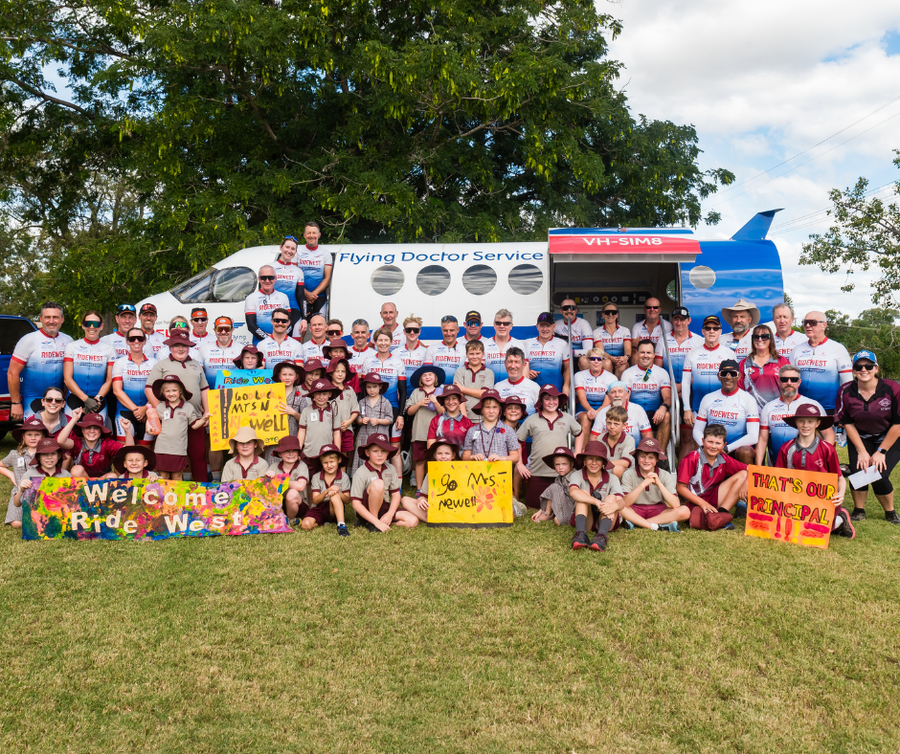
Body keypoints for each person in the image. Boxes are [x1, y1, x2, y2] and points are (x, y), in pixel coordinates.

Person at [836, 350, 900, 524]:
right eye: (858, 366)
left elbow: (898, 423)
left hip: (890, 436)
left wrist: (881, 451)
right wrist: (861, 450)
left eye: (868, 366)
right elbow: (847, 422)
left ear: (876, 369)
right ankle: (859, 510)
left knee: (879, 473)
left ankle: (890, 511)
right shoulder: (845, 390)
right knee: (859, 470)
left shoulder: (892, 388)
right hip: (861, 436)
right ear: (853, 370)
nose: (863, 369)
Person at [775, 404, 854, 539]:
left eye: (810, 421)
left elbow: (839, 478)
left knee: (817, 530)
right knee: (789, 528)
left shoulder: (827, 449)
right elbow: (778, 477)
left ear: (817, 424)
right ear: (796, 422)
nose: (805, 425)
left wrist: (840, 494)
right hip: (795, 498)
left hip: (821, 500)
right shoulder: (786, 448)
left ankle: (840, 518)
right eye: (801, 421)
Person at [145, 330, 210, 481]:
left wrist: (207, 411)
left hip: (195, 417)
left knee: (199, 455)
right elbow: (148, 389)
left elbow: (204, 388)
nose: (181, 349)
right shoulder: (161, 365)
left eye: (184, 345)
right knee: (169, 457)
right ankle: (167, 491)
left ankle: (201, 489)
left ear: (189, 347)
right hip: (171, 420)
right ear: (170, 347)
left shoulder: (196, 365)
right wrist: (161, 411)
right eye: (176, 345)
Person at [517, 385, 581, 509]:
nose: (551, 402)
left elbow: (579, 433)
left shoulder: (567, 418)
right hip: (537, 472)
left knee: (561, 505)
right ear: (541, 401)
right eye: (547, 399)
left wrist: (577, 452)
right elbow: (518, 440)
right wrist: (520, 463)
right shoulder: (532, 420)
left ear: (559, 400)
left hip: (561, 473)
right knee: (533, 505)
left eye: (554, 398)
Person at [8, 301, 73, 420]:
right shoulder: (28, 340)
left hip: (59, 401)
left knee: (59, 432)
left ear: (62, 319)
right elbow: (12, 373)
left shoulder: (68, 340)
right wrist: (15, 403)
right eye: (47, 317)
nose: (51, 321)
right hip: (33, 399)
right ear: (41, 319)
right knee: (34, 432)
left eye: (55, 317)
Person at [676, 424, 747, 530]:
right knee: (696, 518)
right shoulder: (691, 458)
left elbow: (749, 469)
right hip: (693, 501)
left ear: (724, 445)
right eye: (710, 442)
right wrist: (702, 503)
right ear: (703, 441)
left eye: (718, 443)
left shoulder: (723, 458)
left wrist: (747, 482)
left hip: (713, 495)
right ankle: (713, 518)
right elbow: (680, 488)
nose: (713, 446)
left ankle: (722, 514)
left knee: (743, 474)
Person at [692, 359, 759, 465]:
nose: (728, 377)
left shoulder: (748, 399)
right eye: (724, 373)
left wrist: (727, 448)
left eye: (733, 373)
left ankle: (746, 475)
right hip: (713, 447)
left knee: (745, 451)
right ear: (719, 376)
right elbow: (697, 430)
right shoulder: (708, 398)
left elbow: (753, 436)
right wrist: (708, 446)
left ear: (739, 376)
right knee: (699, 444)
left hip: (736, 448)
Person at [757, 365, 827, 465]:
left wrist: (823, 456)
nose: (789, 383)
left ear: (799, 382)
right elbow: (763, 440)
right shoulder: (768, 407)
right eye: (784, 379)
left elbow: (828, 433)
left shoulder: (813, 405)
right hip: (777, 464)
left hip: (806, 464)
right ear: (779, 381)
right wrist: (758, 466)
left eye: (793, 379)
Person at [361, 327, 408, 476]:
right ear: (375, 342)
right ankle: (372, 477)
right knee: (373, 445)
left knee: (394, 447)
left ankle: (398, 483)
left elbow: (403, 391)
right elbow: (363, 389)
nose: (383, 343)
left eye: (386, 340)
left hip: (393, 407)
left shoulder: (398, 362)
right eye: (380, 340)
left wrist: (401, 415)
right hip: (372, 407)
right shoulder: (368, 362)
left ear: (391, 342)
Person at [789, 311, 853, 414]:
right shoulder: (797, 349)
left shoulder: (838, 349)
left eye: (812, 322)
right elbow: (788, 378)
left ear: (824, 325)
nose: (808, 325)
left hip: (829, 408)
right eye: (805, 322)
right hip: (801, 408)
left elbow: (848, 384)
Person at [351, 433, 418, 531]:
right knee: (378, 483)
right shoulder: (360, 472)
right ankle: (373, 522)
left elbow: (396, 495)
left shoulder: (390, 469)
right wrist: (375, 521)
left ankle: (383, 523)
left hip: (384, 508)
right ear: (367, 453)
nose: (380, 455)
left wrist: (390, 514)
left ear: (388, 452)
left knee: (413, 521)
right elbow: (356, 504)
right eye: (375, 451)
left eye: (383, 451)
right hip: (366, 509)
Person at [620, 437, 689, 532]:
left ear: (657, 459)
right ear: (637, 457)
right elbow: (625, 503)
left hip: (658, 510)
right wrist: (643, 484)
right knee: (619, 507)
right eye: (642, 456)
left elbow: (675, 504)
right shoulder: (629, 474)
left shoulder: (665, 474)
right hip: (635, 508)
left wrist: (659, 483)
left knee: (685, 511)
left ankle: (639, 523)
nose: (646, 461)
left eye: (651, 457)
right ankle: (658, 525)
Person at [682, 315, 736, 431]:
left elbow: (735, 382)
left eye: (715, 328)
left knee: (720, 438)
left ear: (720, 332)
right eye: (708, 328)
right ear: (703, 331)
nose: (712, 331)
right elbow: (685, 383)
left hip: (723, 407)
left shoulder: (729, 354)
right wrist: (687, 409)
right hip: (698, 406)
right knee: (698, 438)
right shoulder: (692, 353)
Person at [150, 375, 209, 480]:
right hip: (162, 448)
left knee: (177, 476)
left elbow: (194, 425)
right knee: (163, 476)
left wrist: (204, 419)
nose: (171, 393)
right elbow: (151, 421)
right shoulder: (160, 407)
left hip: (179, 449)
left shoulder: (188, 407)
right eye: (167, 391)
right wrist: (148, 426)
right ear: (163, 392)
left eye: (174, 390)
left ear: (180, 391)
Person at [569, 441, 624, 552]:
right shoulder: (577, 475)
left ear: (603, 462)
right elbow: (573, 492)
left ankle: (601, 537)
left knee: (611, 498)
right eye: (590, 458)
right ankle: (580, 535)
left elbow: (621, 502)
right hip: (586, 519)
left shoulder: (612, 478)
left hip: (606, 518)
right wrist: (596, 501)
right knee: (582, 493)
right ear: (584, 461)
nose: (594, 463)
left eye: (598, 459)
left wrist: (613, 507)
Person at [620, 339, 672, 451]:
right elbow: (625, 396)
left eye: (648, 353)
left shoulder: (662, 373)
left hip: (654, 414)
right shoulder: (628, 373)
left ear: (654, 355)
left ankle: (660, 455)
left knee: (667, 415)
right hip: (634, 413)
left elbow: (668, 397)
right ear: (637, 353)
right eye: (642, 352)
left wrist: (663, 408)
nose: (645, 355)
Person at [63, 310, 114, 421]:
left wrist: (97, 399)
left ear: (101, 326)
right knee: (70, 432)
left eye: (96, 324)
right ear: (83, 325)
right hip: (74, 398)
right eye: (88, 323)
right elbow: (67, 378)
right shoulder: (72, 346)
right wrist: (86, 399)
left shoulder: (109, 349)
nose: (92, 327)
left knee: (95, 431)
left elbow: (109, 380)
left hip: (98, 401)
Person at [1, 416, 48, 528]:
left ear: (43, 436)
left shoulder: (47, 455)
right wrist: (11, 475)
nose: (33, 438)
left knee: (44, 520)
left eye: (37, 435)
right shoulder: (15, 454)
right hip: (20, 493)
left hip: (40, 494)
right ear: (23, 436)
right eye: (29, 434)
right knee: (16, 523)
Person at [111, 328, 157, 443]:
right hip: (124, 411)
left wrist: (146, 408)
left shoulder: (154, 363)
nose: (136, 341)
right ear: (127, 341)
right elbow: (117, 390)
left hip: (148, 411)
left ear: (144, 341)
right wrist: (137, 410)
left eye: (140, 338)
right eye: (132, 339)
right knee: (125, 450)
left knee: (145, 450)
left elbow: (157, 390)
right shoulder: (120, 363)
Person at [57, 410, 133, 478]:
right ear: (82, 430)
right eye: (88, 427)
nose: (92, 431)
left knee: (112, 476)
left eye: (96, 428)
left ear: (101, 431)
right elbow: (61, 441)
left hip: (102, 481)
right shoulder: (77, 442)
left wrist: (127, 430)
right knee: (77, 470)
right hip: (81, 481)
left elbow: (129, 451)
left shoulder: (107, 443)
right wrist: (74, 419)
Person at [400, 440, 459, 526]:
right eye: (439, 453)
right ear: (435, 455)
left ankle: (439, 519)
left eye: (447, 453)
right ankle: (436, 519)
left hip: (455, 509)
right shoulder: (431, 473)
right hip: (437, 508)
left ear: (453, 455)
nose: (443, 456)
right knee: (404, 500)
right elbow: (424, 497)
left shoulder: (460, 471)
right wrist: (420, 500)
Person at [406, 365, 445, 488]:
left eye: (430, 374)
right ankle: (419, 488)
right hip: (420, 432)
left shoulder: (441, 392)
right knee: (419, 460)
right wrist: (419, 404)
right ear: (420, 379)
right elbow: (409, 412)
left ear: (435, 377)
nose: (427, 377)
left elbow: (443, 412)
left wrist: (435, 402)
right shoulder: (416, 392)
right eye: (424, 375)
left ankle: (436, 487)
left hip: (437, 433)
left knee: (436, 460)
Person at [654, 306, 703, 404]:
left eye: (682, 320)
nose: (678, 323)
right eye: (676, 319)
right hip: (667, 387)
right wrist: (670, 386)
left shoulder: (698, 340)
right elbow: (658, 368)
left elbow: (700, 371)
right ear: (672, 320)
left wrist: (681, 386)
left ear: (689, 320)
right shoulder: (663, 339)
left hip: (691, 388)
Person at [574, 347, 617, 454]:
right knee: (586, 418)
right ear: (588, 361)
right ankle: (582, 453)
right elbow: (582, 399)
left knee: (606, 420)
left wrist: (597, 413)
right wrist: (590, 410)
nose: (596, 361)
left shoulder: (612, 378)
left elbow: (607, 402)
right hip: (584, 409)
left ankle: (600, 453)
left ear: (603, 361)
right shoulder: (579, 375)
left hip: (604, 410)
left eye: (599, 359)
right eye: (593, 359)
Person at [737, 324, 789, 410]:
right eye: (756, 337)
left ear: (770, 340)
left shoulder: (782, 361)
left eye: (764, 337)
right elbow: (739, 389)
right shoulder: (744, 363)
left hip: (778, 409)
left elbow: (790, 386)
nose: (760, 339)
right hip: (752, 411)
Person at [461, 389, 520, 463]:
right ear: (481, 409)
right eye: (487, 407)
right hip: (477, 470)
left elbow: (515, 457)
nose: (491, 411)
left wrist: (501, 458)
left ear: (500, 409)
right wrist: (472, 457)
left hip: (500, 470)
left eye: (495, 407)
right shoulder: (472, 430)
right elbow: (465, 456)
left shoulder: (508, 430)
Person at [13, 437, 71, 511]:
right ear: (38, 457)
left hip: (60, 515)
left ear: (59, 455)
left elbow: (72, 502)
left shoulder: (66, 475)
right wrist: (21, 490)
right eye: (44, 454)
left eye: (53, 453)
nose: (49, 457)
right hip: (36, 516)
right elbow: (16, 503)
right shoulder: (29, 474)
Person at [352, 373, 394, 475]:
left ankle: (380, 475)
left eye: (374, 387)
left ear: (380, 386)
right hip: (364, 436)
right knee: (364, 454)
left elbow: (390, 419)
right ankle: (362, 476)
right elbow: (357, 419)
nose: (372, 390)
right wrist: (361, 421)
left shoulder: (385, 402)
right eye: (369, 387)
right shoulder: (362, 402)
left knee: (379, 454)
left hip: (380, 436)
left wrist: (379, 421)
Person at [304, 444, 351, 534]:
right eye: (325, 463)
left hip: (335, 508)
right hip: (319, 508)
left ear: (339, 460)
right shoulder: (316, 477)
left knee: (335, 495)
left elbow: (347, 500)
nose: (329, 465)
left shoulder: (344, 477)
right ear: (321, 463)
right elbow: (316, 500)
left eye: (332, 461)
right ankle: (322, 522)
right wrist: (327, 491)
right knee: (306, 525)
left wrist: (338, 492)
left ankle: (341, 525)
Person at [590, 381, 652, 448]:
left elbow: (647, 436)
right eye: (613, 392)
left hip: (635, 451)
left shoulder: (638, 410)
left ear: (627, 394)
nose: (617, 395)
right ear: (609, 396)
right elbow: (594, 439)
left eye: (620, 391)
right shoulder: (602, 413)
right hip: (609, 451)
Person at [265, 435, 310, 525]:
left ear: (298, 453)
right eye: (286, 451)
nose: (291, 454)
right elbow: (266, 487)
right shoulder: (274, 466)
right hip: (280, 504)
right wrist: (268, 477)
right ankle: (276, 517)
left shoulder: (301, 465)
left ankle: (291, 520)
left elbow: (300, 486)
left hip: (298, 505)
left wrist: (279, 481)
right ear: (280, 454)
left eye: (294, 451)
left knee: (292, 493)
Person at [296, 378, 342, 465]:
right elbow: (301, 431)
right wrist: (298, 450)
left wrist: (337, 452)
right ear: (313, 394)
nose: (321, 397)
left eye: (324, 394)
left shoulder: (334, 412)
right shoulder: (306, 411)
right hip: (308, 454)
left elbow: (336, 433)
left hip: (327, 455)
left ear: (330, 394)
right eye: (318, 393)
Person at [524, 312, 570, 394]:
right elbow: (518, 365)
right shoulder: (527, 343)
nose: (545, 329)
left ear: (553, 326)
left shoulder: (562, 344)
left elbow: (567, 368)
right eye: (542, 325)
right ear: (537, 326)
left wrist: (566, 386)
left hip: (555, 389)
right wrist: (526, 372)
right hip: (531, 389)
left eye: (548, 326)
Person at [244, 265, 291, 344]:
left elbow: (289, 322)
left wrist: (279, 337)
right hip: (260, 343)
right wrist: (269, 339)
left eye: (270, 277)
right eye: (263, 278)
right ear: (259, 279)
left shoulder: (283, 297)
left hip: (281, 342)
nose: (267, 280)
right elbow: (251, 326)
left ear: (275, 279)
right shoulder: (251, 298)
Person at [272, 234, 308, 333]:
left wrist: (304, 318)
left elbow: (301, 296)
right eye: (287, 247)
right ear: (281, 247)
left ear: (295, 252)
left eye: (293, 249)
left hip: (293, 311)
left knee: (294, 341)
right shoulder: (270, 268)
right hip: (273, 310)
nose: (289, 251)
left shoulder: (298, 271)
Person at [296, 221, 332, 316]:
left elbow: (327, 278)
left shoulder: (325, 253)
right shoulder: (297, 251)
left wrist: (313, 295)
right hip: (300, 295)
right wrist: (306, 294)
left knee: (319, 323)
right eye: (309, 233)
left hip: (319, 296)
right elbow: (293, 275)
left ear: (319, 235)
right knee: (301, 324)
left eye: (314, 233)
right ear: (304, 235)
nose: (311, 236)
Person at [532, 447, 577, 525]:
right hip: (563, 506)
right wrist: (541, 510)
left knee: (558, 521)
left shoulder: (574, 477)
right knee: (554, 487)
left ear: (571, 464)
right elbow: (553, 495)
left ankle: (560, 516)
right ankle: (547, 513)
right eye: (557, 464)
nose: (560, 467)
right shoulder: (559, 479)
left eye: (564, 464)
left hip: (574, 509)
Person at [454, 340, 494, 419]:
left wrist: (462, 389)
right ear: (466, 354)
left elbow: (484, 394)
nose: (475, 357)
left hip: (483, 418)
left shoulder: (489, 372)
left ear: (483, 354)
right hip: (463, 417)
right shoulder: (459, 372)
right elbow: (459, 395)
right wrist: (464, 417)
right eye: (471, 354)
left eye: (478, 353)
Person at [326, 357, 359, 454]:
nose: (340, 374)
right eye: (337, 371)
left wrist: (348, 422)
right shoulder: (327, 390)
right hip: (329, 430)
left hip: (346, 429)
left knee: (344, 456)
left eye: (343, 371)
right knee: (330, 455)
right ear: (331, 373)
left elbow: (355, 410)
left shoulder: (350, 390)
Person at [494, 348, 540, 415]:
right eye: (510, 361)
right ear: (505, 363)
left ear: (524, 364)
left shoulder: (534, 387)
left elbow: (541, 414)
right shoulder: (497, 387)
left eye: (517, 362)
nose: (513, 366)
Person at [199, 316, 244, 386]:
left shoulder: (242, 349)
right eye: (219, 329)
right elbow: (198, 374)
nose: (223, 332)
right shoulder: (204, 349)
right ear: (214, 330)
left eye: (227, 329)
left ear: (232, 329)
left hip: (235, 391)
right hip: (209, 391)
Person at [594, 405, 635, 480]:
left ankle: (618, 488)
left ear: (624, 425)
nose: (612, 426)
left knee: (617, 469)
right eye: (609, 423)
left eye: (616, 424)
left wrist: (602, 464)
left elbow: (625, 462)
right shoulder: (600, 438)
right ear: (605, 421)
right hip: (604, 471)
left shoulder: (629, 439)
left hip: (624, 476)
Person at [483, 309, 526, 380]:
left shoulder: (519, 345)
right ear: (494, 325)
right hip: (488, 385)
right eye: (498, 323)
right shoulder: (484, 344)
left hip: (511, 386)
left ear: (511, 326)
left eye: (506, 324)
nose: (502, 326)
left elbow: (525, 369)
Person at [593, 302, 631, 378]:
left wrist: (625, 357)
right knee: (607, 363)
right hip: (605, 359)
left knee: (622, 366)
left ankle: (618, 385)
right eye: (607, 312)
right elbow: (600, 351)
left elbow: (628, 349)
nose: (610, 315)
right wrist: (611, 358)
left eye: (613, 312)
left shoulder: (625, 330)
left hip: (621, 359)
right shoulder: (596, 332)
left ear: (617, 314)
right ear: (603, 315)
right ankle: (608, 385)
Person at [425, 315, 465, 383]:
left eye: (452, 330)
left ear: (457, 330)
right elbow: (427, 373)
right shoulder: (432, 348)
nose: (449, 334)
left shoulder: (465, 349)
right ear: (441, 330)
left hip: (458, 388)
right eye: (445, 330)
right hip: (437, 388)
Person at [631, 297, 672, 362]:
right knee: (635, 356)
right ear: (644, 310)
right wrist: (657, 345)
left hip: (659, 357)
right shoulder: (636, 326)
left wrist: (640, 343)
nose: (652, 309)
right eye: (648, 307)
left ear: (660, 310)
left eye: (655, 307)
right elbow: (634, 347)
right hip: (643, 358)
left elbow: (668, 347)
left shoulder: (668, 326)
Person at [396, 316, 429, 380]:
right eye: (408, 330)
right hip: (401, 386)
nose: (412, 332)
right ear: (404, 331)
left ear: (419, 332)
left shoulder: (427, 353)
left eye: (415, 330)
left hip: (419, 386)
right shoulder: (395, 353)